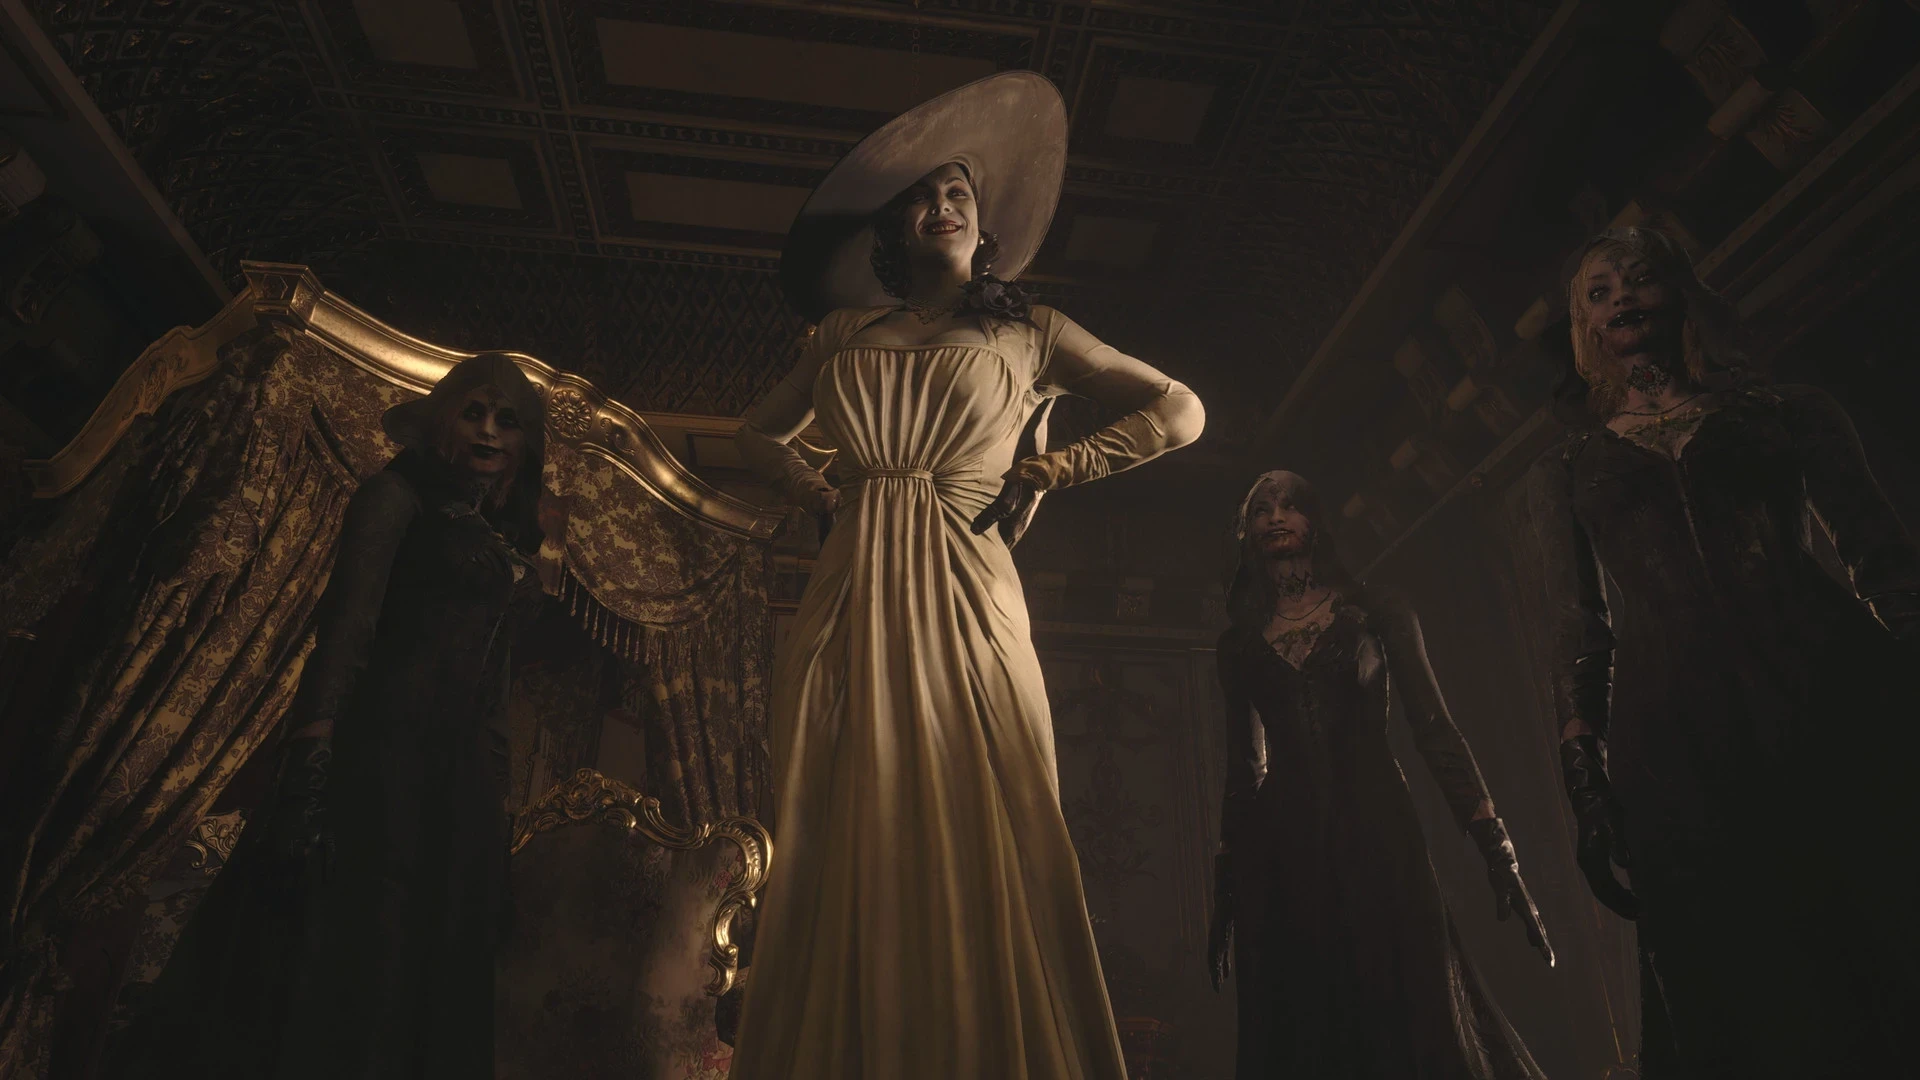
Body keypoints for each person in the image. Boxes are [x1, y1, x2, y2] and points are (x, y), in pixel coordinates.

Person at [728, 72, 1204, 1080]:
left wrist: (1058, 468)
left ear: (983, 229)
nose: (941, 205)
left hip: (967, 587)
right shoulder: (840, 336)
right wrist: (821, 493)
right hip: (850, 593)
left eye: (958, 193)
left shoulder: (1033, 333)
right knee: (842, 813)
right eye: (920, 197)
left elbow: (1180, 410)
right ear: (892, 229)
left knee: (988, 794)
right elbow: (755, 436)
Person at [1526, 226, 1920, 1077]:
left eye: (1639, 279)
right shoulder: (1567, 470)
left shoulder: (1787, 413)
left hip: (1835, 701)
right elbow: (1579, 631)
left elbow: (1887, 566)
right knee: (1743, 979)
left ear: (1681, 294)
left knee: (1884, 933)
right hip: (1678, 742)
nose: (1622, 298)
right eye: (1599, 292)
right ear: (1584, 327)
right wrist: (1586, 780)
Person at [107, 353, 548, 1079]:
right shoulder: (394, 497)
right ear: (442, 420)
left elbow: (492, 693)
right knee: (347, 963)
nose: (489, 431)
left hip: (459, 788)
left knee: (429, 979)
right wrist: (309, 766)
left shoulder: (499, 538)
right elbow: (345, 633)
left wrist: (495, 815)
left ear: (525, 443)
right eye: (474, 412)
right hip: (380, 763)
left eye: (507, 420)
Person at [1209, 470, 1553, 1079]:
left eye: (1289, 505)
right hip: (1285, 848)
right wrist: (1228, 892)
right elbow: (1244, 771)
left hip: (1379, 827)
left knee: (1408, 1000)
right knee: (1310, 1021)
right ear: (1248, 531)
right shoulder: (1237, 646)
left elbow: (1435, 729)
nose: (1275, 517)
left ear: (1314, 520)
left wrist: (1499, 852)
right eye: (1261, 510)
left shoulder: (1376, 612)